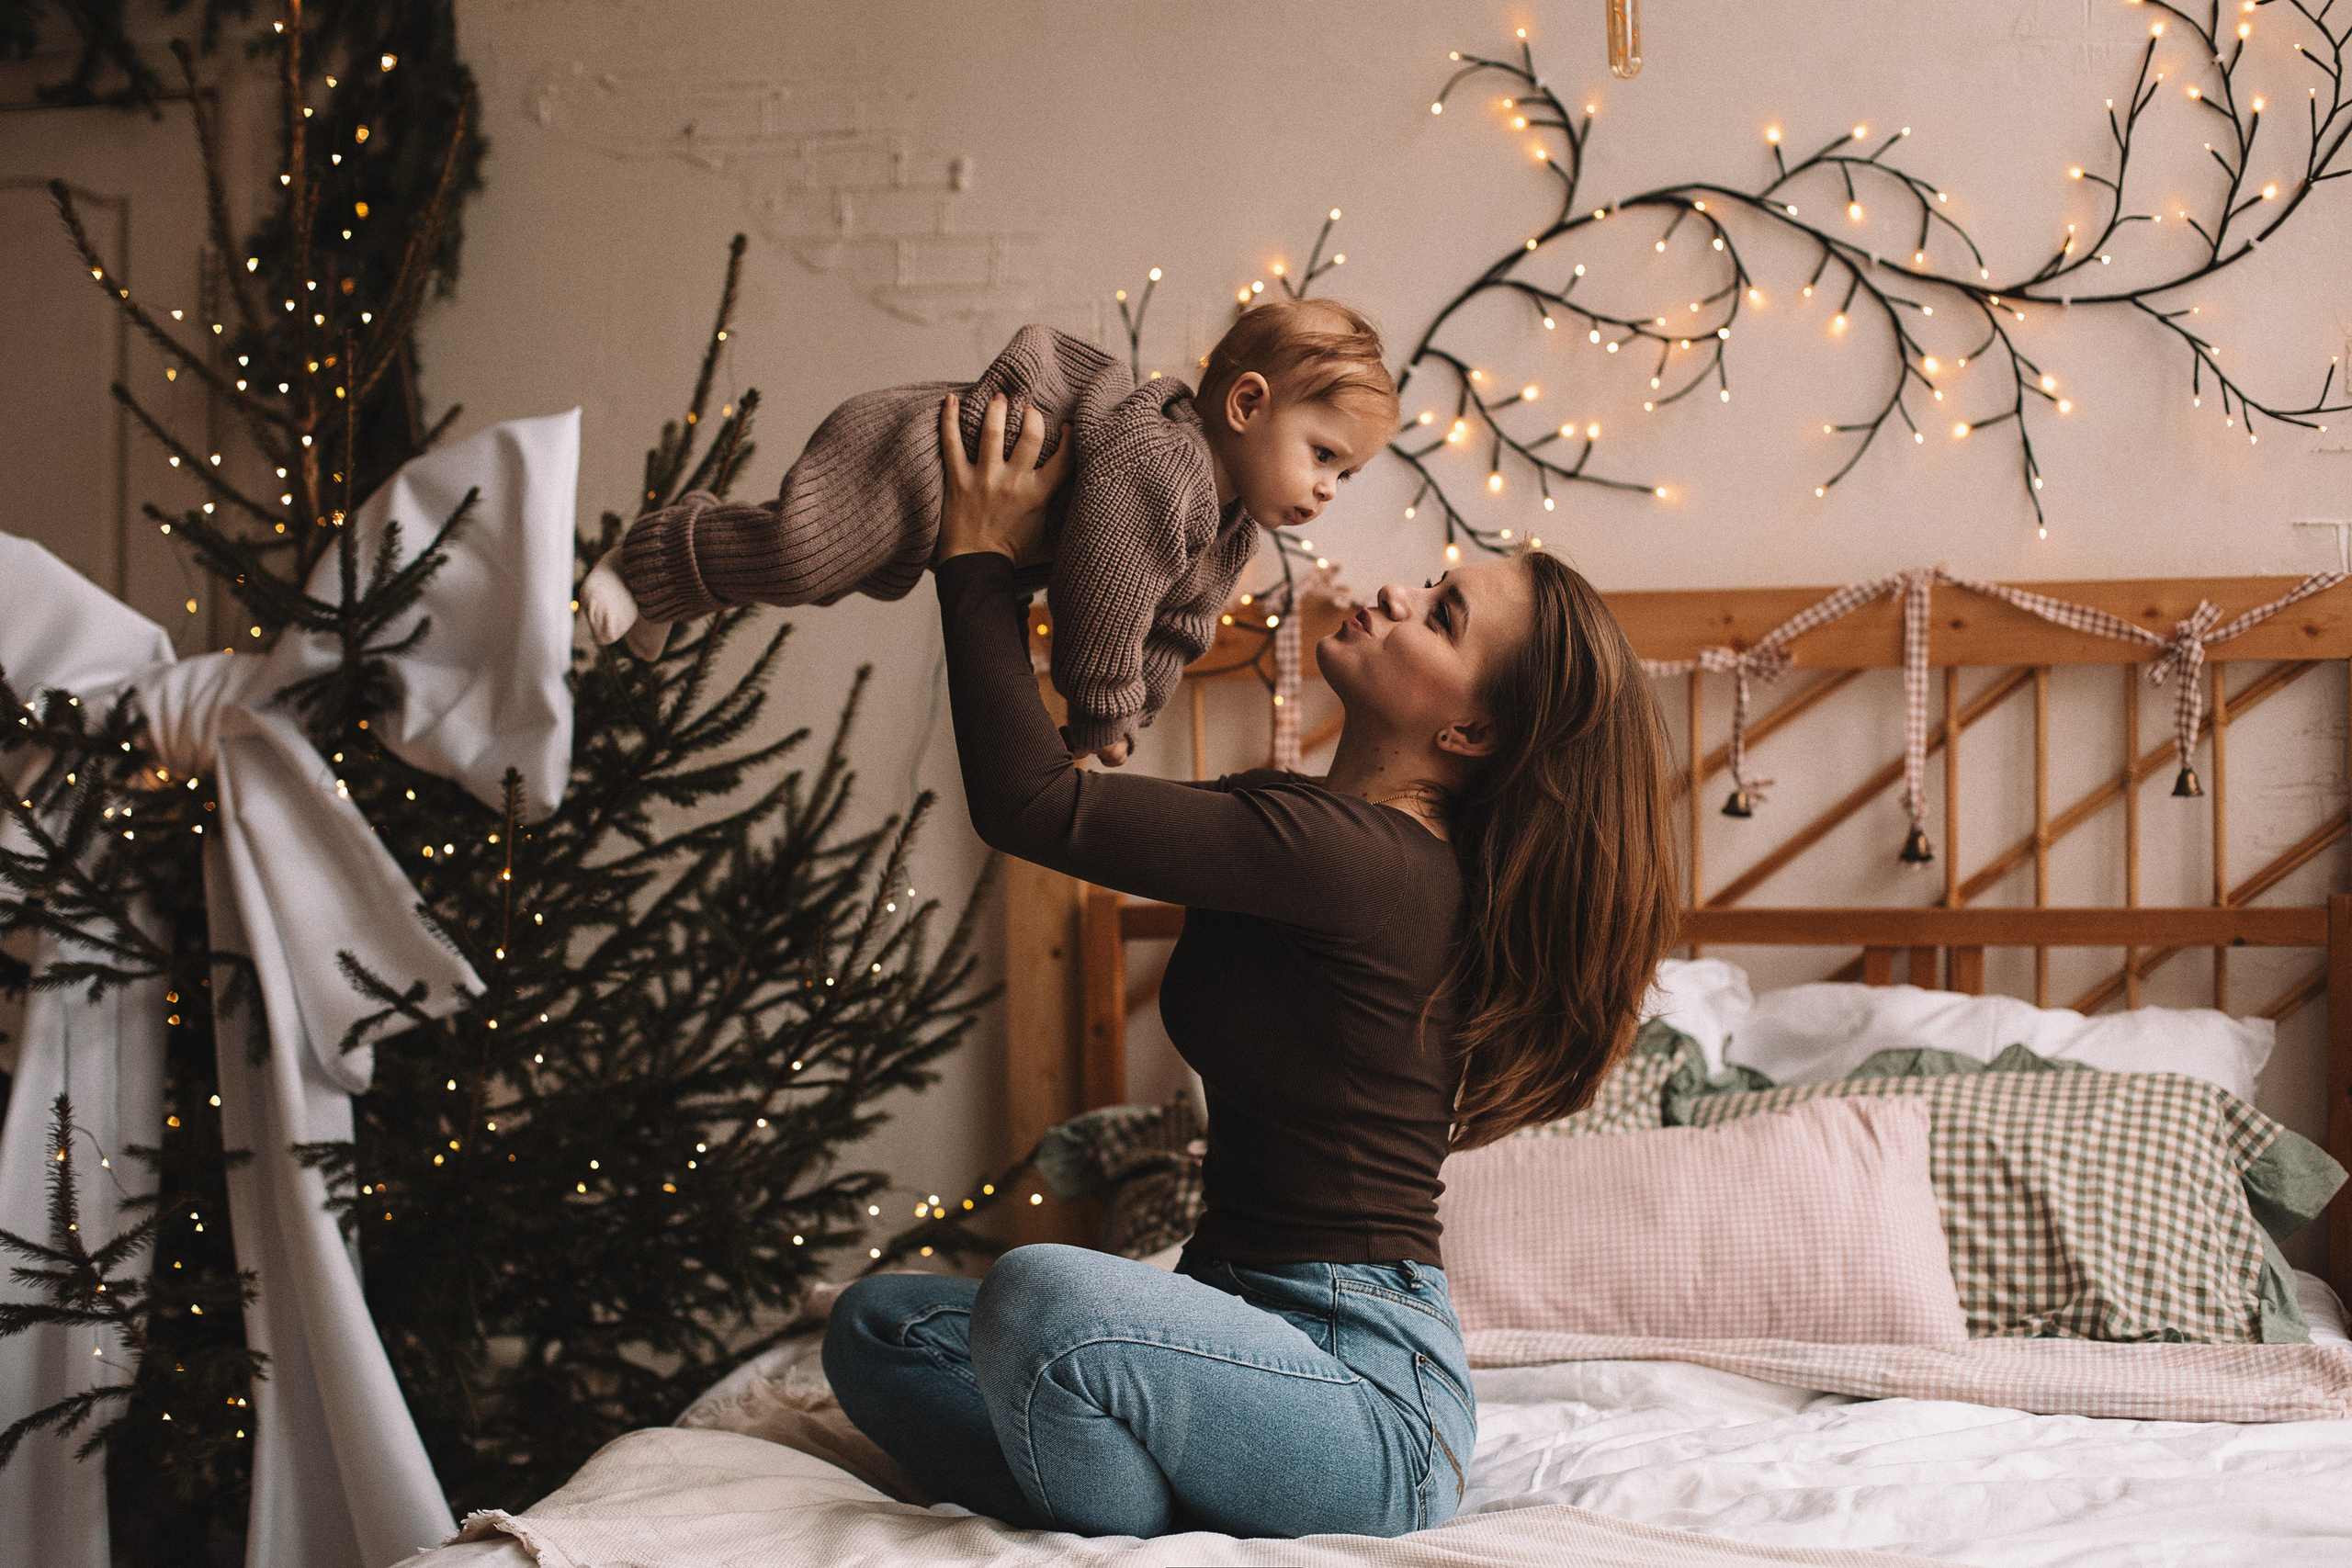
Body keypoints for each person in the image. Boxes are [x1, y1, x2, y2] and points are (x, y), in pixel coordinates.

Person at [820, 393, 1679, 1539]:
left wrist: (974, 557)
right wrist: (1086, 602)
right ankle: (1144, 1489)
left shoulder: (1361, 860)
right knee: (874, 1324)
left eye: (1442, 613)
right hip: (1219, 1329)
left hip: (1368, 1402)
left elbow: (1031, 807)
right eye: (1430, 581)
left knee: (1038, 1295)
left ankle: (1120, 1506)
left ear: (1470, 735)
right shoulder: (1306, 835)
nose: (1393, 593)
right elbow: (1070, 783)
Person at [580, 299, 1396, 765]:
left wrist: (1129, 713)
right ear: (1247, 405)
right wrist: (1101, 704)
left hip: (970, 522)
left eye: (1345, 474)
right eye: (1323, 454)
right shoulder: (1164, 457)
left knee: (816, 580)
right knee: (799, 554)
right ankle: (650, 561)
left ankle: (672, 591)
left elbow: (1173, 630)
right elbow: (1103, 591)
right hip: (927, 456)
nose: (1327, 489)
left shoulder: (1229, 536)